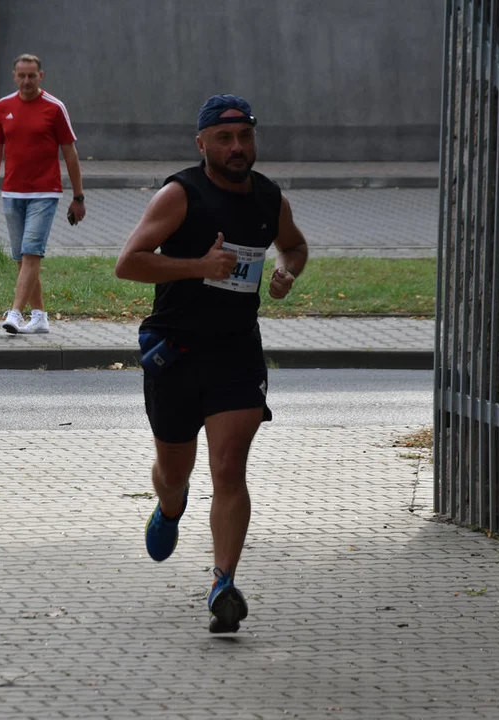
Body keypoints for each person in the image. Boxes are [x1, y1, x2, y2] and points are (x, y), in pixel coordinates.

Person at [114, 94, 309, 633]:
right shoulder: (180, 195)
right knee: (175, 473)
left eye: (245, 136)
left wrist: (287, 272)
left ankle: (223, 583)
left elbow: (294, 246)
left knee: (229, 468)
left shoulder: (269, 198)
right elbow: (128, 264)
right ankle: (171, 507)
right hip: (175, 348)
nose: (237, 147)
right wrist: (200, 265)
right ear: (202, 144)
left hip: (235, 349)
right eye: (224, 139)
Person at [0, 53, 86, 334]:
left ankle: (14, 314)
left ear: (41, 76)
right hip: (12, 193)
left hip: (45, 193)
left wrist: (79, 197)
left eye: (32, 75)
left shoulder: (54, 108)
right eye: (21, 75)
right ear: (14, 76)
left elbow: (71, 154)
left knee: (31, 253)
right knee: (21, 258)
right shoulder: (4, 106)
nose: (26, 81)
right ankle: (39, 317)